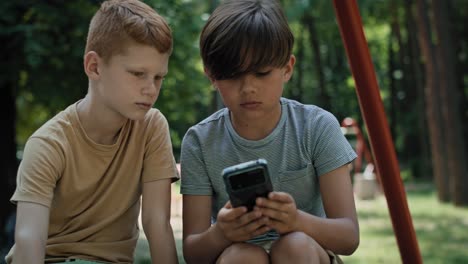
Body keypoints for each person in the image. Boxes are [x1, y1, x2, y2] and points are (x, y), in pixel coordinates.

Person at [180, 0, 359, 263]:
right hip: (238, 256)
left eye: (262, 73)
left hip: (307, 254)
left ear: (287, 68)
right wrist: (221, 233)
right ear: (212, 77)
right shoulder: (199, 141)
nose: (248, 87)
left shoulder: (317, 126)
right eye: (232, 75)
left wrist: (296, 220)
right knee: (241, 257)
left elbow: (349, 236)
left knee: (294, 246)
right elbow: (193, 252)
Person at [6, 0, 179, 263]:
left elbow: (157, 222)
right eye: (137, 73)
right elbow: (29, 239)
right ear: (94, 67)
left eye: (158, 77)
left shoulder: (152, 126)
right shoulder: (48, 144)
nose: (151, 89)